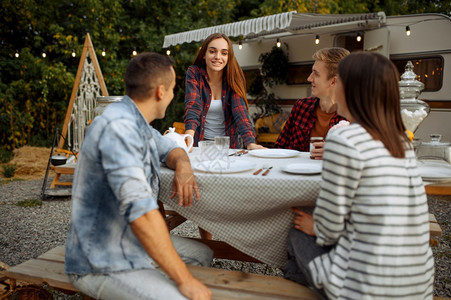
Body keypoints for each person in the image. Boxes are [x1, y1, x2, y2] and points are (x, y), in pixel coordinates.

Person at [284, 52, 434, 299]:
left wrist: (315, 227)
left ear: (350, 88)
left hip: (365, 290)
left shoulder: (344, 139)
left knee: (295, 232)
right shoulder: (401, 141)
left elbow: (329, 229)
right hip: (418, 287)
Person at [65, 52, 213, 300]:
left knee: (202, 254)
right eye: (174, 89)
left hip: (131, 243)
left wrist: (184, 166)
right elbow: (142, 216)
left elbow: (170, 149)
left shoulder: (136, 121)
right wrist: (185, 281)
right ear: (160, 91)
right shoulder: (117, 129)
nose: (174, 95)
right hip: (101, 260)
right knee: (183, 296)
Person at [184, 33, 264, 151]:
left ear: (228, 57)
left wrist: (250, 143)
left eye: (224, 53)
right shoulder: (194, 73)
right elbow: (193, 105)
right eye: (212, 51)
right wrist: (189, 137)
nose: (218, 56)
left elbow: (240, 111)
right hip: (200, 145)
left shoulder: (234, 77)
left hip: (228, 148)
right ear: (204, 55)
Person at [274, 47, 349, 159]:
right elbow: (280, 148)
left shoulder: (355, 115)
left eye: (316, 74)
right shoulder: (301, 107)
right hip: (294, 175)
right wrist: (261, 152)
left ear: (333, 81)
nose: (309, 78)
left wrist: (337, 154)